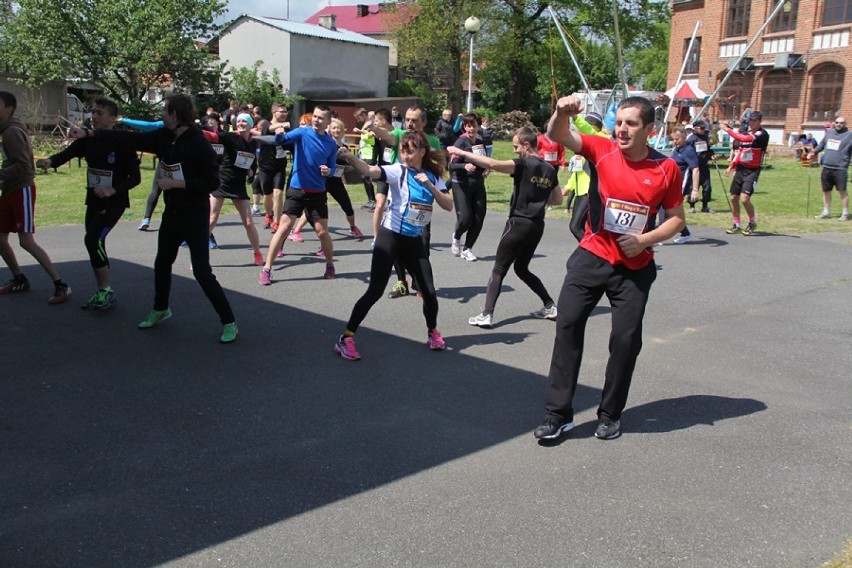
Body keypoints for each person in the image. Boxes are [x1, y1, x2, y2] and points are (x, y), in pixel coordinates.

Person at [534, 95, 684, 442]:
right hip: (592, 256)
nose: (622, 129)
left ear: (650, 129)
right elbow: (559, 136)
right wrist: (560, 112)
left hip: (634, 268)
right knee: (568, 326)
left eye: (631, 124)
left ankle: (610, 414)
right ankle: (558, 416)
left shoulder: (667, 169)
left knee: (625, 340)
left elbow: (676, 220)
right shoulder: (601, 150)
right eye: (619, 122)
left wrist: (645, 240)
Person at [68, 93, 238, 343]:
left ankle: (229, 321)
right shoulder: (164, 137)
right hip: (172, 214)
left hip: (194, 215)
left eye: (165, 112)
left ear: (175, 116)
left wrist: (176, 183)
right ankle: (161, 308)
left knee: (202, 272)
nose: (162, 116)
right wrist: (90, 134)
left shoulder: (197, 142)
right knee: (161, 264)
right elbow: (129, 138)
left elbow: (211, 182)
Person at [333, 131, 453, 360]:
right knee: (375, 291)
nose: (406, 155)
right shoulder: (398, 171)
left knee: (428, 290)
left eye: (410, 150)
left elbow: (448, 205)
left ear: (422, 151)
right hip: (390, 238)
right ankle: (346, 338)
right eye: (403, 150)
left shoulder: (433, 176)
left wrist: (430, 186)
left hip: (413, 241)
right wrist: (350, 156)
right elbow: (370, 171)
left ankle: (432, 332)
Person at [449, 126, 562, 327]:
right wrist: (537, 197)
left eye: (516, 146)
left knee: (499, 269)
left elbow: (493, 163)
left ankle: (486, 314)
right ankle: (550, 305)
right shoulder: (550, 169)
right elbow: (557, 200)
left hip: (518, 223)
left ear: (527, 145)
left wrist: (461, 153)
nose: (515, 150)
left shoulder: (524, 164)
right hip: (537, 225)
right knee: (521, 268)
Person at [36, 97, 141, 310]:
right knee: (95, 243)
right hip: (93, 199)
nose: (94, 116)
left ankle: (105, 290)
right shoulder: (87, 139)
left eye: (99, 113)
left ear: (112, 118)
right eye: (92, 112)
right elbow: (67, 154)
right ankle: (103, 290)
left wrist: (113, 190)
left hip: (114, 202)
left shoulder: (122, 142)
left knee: (92, 240)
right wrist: (49, 162)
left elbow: (135, 178)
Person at [0, 91, 71, 303]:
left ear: (8, 108)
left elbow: (24, 166)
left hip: (22, 190)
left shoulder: (12, 131)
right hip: (10, 189)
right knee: (0, 237)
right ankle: (19, 279)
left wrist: (1, 174)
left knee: (26, 241)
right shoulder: (8, 129)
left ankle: (61, 285)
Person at [258, 105, 339, 284]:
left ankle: (330, 264)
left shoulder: (331, 143)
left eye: (320, 118)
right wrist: (279, 131)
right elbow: (282, 139)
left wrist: (328, 171)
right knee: (284, 228)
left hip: (317, 191)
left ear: (328, 121)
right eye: (315, 116)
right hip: (297, 188)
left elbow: (333, 168)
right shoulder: (302, 133)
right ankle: (267, 268)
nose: (316, 120)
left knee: (322, 232)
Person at [368, 105, 442, 299]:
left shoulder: (431, 141)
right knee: (396, 237)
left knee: (423, 240)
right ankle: (401, 281)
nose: (410, 123)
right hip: (398, 186)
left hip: (422, 198)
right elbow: (387, 135)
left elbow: (440, 163)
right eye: (408, 119)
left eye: (415, 120)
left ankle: (419, 282)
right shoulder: (400, 133)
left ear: (424, 122)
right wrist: (373, 127)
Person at [201, 112, 264, 265]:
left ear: (250, 125)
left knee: (249, 222)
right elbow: (213, 137)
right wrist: (193, 130)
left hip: (238, 185)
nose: (241, 123)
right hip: (222, 181)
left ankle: (257, 253)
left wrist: (250, 172)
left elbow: (252, 162)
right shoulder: (230, 137)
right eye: (239, 121)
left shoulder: (252, 142)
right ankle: (198, 257)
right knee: (211, 220)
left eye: (244, 121)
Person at [721, 111, 768, 236]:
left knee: (744, 198)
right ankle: (736, 224)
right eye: (750, 121)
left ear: (759, 121)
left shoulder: (761, 134)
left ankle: (752, 222)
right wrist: (731, 166)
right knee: (733, 197)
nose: (752, 123)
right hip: (741, 168)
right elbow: (740, 152)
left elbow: (743, 138)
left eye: (755, 121)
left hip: (752, 170)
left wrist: (727, 130)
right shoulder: (747, 133)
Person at [449, 113, 488, 262]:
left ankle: (467, 249)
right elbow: (451, 165)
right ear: (464, 127)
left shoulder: (480, 142)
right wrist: (464, 165)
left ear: (478, 126)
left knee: (479, 218)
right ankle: (457, 236)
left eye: (473, 125)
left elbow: (483, 160)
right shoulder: (460, 143)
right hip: (461, 184)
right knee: (465, 218)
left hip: (478, 184)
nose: (471, 128)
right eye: (468, 125)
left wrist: (486, 168)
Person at [565, 112, 608, 242]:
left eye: (589, 124)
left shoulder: (602, 138)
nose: (581, 129)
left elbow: (588, 130)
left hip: (591, 192)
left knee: (575, 227)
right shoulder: (586, 145)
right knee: (582, 227)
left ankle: (591, 252)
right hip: (581, 191)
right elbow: (578, 172)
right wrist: (568, 187)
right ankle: (592, 251)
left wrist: (575, 117)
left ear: (596, 126)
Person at [254, 103, 291, 232]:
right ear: (274, 113)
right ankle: (268, 215)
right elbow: (270, 128)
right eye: (282, 111)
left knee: (278, 193)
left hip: (279, 166)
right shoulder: (265, 125)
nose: (285, 114)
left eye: (286, 112)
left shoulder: (286, 128)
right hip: (265, 166)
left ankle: (277, 221)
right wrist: (282, 125)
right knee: (268, 195)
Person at [808, 116, 851, 221]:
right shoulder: (830, 133)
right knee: (826, 190)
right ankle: (826, 212)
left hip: (840, 168)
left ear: (845, 124)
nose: (838, 124)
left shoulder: (849, 135)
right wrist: (813, 153)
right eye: (837, 122)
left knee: (842, 190)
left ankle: (845, 213)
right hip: (827, 166)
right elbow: (822, 144)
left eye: (841, 123)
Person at [670, 126, 701, 244]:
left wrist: (695, 189)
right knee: (669, 210)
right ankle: (684, 233)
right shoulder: (677, 150)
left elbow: (696, 170)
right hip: (673, 183)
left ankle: (685, 233)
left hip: (682, 184)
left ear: (684, 137)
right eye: (673, 139)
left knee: (672, 210)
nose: (675, 142)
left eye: (677, 139)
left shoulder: (688, 150)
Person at [687, 119, 715, 213]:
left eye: (704, 128)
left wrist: (711, 155)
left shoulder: (705, 137)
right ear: (695, 128)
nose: (703, 130)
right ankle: (692, 205)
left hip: (704, 165)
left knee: (707, 187)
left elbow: (707, 149)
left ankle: (705, 206)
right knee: (693, 186)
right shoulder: (691, 139)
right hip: (695, 166)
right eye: (702, 128)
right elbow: (688, 151)